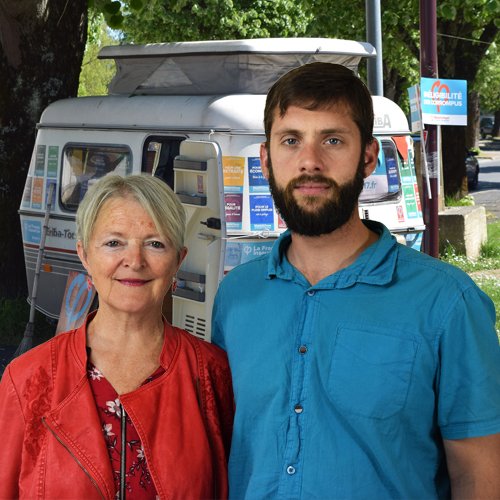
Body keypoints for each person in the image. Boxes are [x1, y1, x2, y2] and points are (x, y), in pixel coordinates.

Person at [212, 62, 500, 499]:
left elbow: (480, 477)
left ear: (368, 156)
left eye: (332, 139)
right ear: (266, 160)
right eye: (291, 140)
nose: (310, 161)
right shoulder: (237, 294)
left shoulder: (447, 302)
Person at [0, 174, 234, 499]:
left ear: (178, 260)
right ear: (84, 255)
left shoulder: (213, 374)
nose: (134, 261)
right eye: (114, 243)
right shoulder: (27, 381)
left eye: (155, 243)